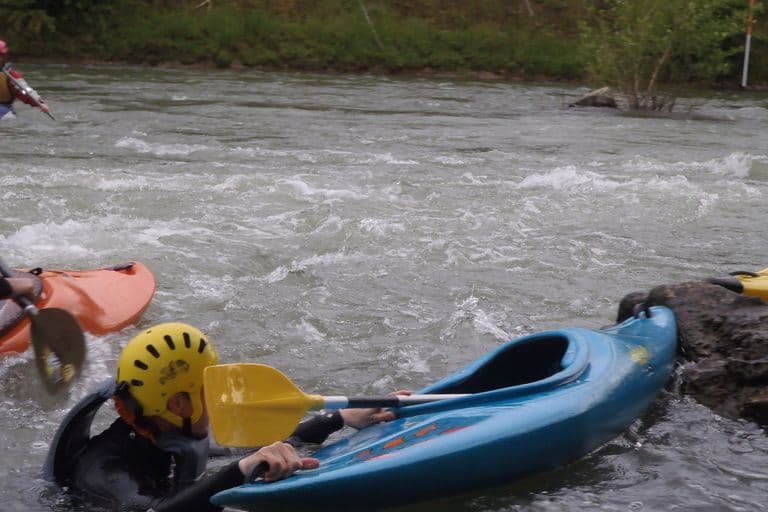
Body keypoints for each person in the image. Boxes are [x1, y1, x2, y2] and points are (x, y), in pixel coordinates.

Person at [44, 322, 398, 512]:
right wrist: (238, 474)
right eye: (209, 389)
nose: (223, 398)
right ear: (179, 404)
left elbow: (244, 454)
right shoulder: (104, 471)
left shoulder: (168, 436)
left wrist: (338, 419)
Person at [0, 39, 52, 118]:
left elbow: (25, 90)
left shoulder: (11, 76)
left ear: (4, 57)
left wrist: (40, 102)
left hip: (4, 110)